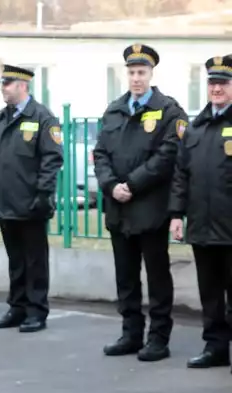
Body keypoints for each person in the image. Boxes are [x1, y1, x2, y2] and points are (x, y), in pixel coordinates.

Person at [93, 44, 188, 362]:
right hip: (119, 208)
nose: (136, 78)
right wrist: (109, 185)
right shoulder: (115, 109)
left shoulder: (168, 110)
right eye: (132, 72)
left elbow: (168, 155)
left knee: (158, 276)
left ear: (151, 74)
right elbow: (101, 153)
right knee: (126, 276)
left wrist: (132, 184)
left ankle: (158, 337)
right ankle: (131, 333)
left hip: (151, 208)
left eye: (142, 72)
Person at [0, 64, 63, 333]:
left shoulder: (42, 118)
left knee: (35, 259)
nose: (4, 88)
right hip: (6, 202)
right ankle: (17, 307)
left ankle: (36, 311)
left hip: (31, 203)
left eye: (8, 84)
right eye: (2, 84)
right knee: (16, 258)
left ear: (23, 86)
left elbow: (52, 159)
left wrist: (42, 194)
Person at [169, 54, 232, 370]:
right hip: (203, 227)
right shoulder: (195, 128)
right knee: (209, 293)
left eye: (223, 83)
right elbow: (182, 175)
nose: (217, 89)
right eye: (213, 83)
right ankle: (216, 347)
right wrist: (177, 215)